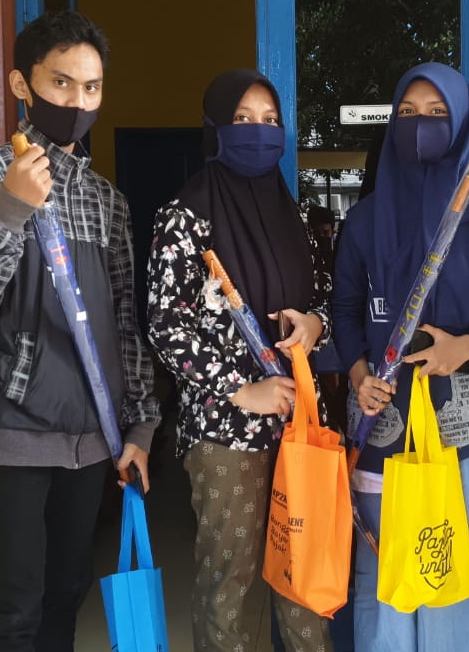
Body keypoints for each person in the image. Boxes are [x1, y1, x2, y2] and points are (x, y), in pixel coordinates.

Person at [0, 10, 159, 652]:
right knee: (16, 608)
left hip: (90, 436)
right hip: (12, 432)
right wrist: (10, 208)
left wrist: (139, 427)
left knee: (66, 595)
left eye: (91, 88)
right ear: (21, 84)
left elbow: (125, 322)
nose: (78, 102)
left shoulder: (108, 200)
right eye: (61, 83)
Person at [333, 62, 469, 652]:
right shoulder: (365, 221)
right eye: (408, 113)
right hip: (384, 426)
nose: (420, 124)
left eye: (436, 112)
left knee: (467, 580)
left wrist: (467, 346)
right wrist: (358, 373)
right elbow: (345, 309)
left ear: (462, 120)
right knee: (390, 585)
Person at [146, 68, 333, 652]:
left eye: (270, 121)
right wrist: (240, 389)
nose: (259, 131)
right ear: (216, 129)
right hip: (227, 431)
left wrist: (315, 323)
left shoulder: (294, 215)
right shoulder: (185, 216)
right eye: (244, 120)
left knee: (305, 581)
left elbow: (324, 295)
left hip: (299, 425)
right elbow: (165, 323)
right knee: (230, 583)